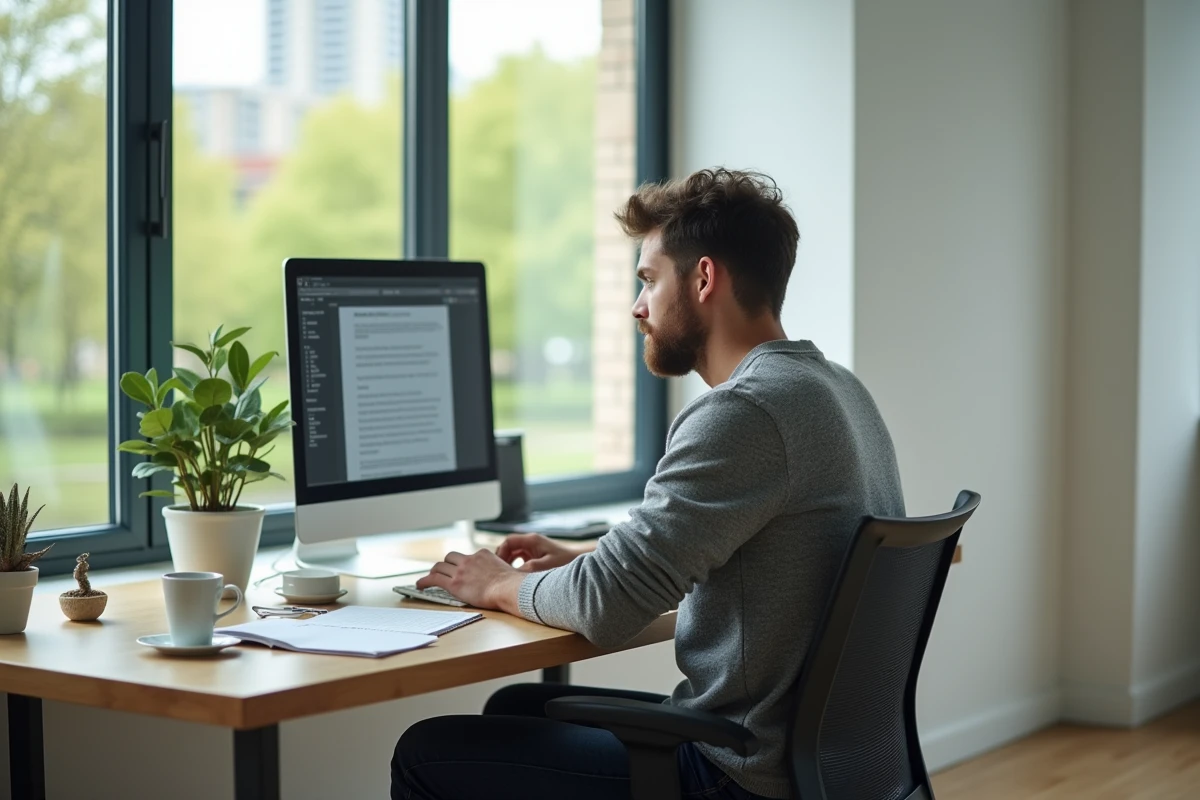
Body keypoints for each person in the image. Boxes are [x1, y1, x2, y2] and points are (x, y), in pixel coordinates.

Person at [391, 168, 904, 800]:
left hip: (737, 773)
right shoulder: (839, 390)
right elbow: (754, 549)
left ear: (704, 278)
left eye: (648, 280)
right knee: (518, 708)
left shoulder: (745, 412)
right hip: (831, 768)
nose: (639, 306)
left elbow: (607, 607)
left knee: (425, 753)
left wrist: (498, 583)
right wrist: (585, 557)